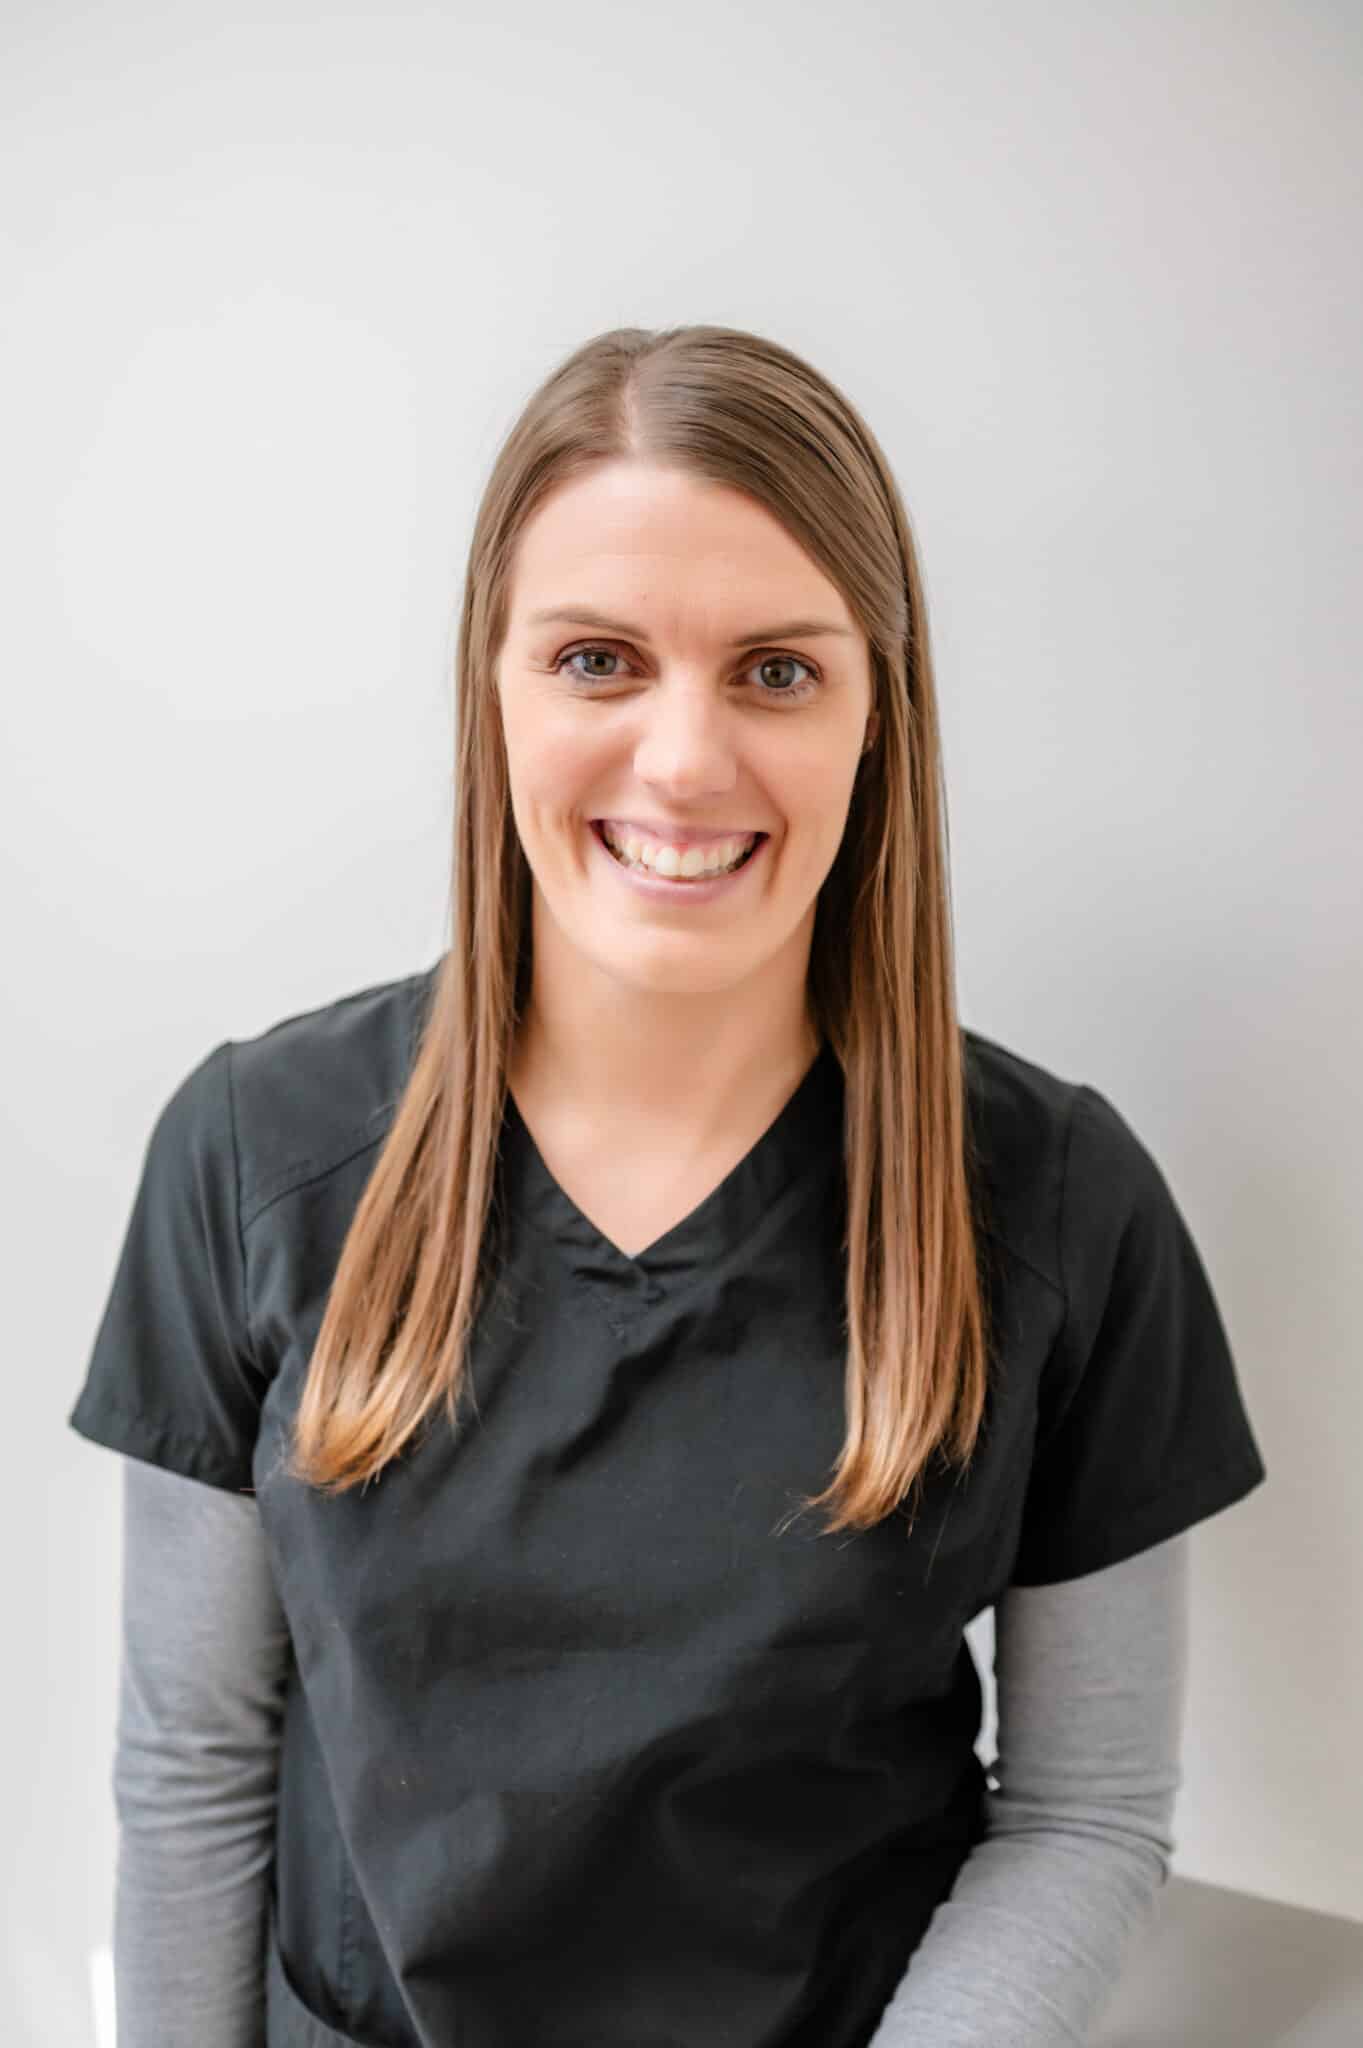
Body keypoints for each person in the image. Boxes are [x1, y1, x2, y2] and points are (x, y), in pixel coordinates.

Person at [69, 323, 1267, 2048]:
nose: (686, 762)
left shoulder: (1062, 1207)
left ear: (879, 711)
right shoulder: (258, 1156)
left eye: (777, 670)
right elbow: (193, 1769)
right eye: (597, 660)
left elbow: (1084, 1813)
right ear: (493, 689)